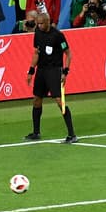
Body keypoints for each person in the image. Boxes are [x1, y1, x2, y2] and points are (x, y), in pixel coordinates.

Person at [25, 11, 76, 143]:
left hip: (54, 71)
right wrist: (31, 71)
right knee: (36, 99)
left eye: (42, 23)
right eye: (38, 24)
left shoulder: (58, 36)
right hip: (41, 70)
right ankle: (36, 132)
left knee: (60, 101)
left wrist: (65, 72)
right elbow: (36, 52)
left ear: (48, 22)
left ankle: (72, 134)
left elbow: (68, 54)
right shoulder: (37, 33)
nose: (39, 26)